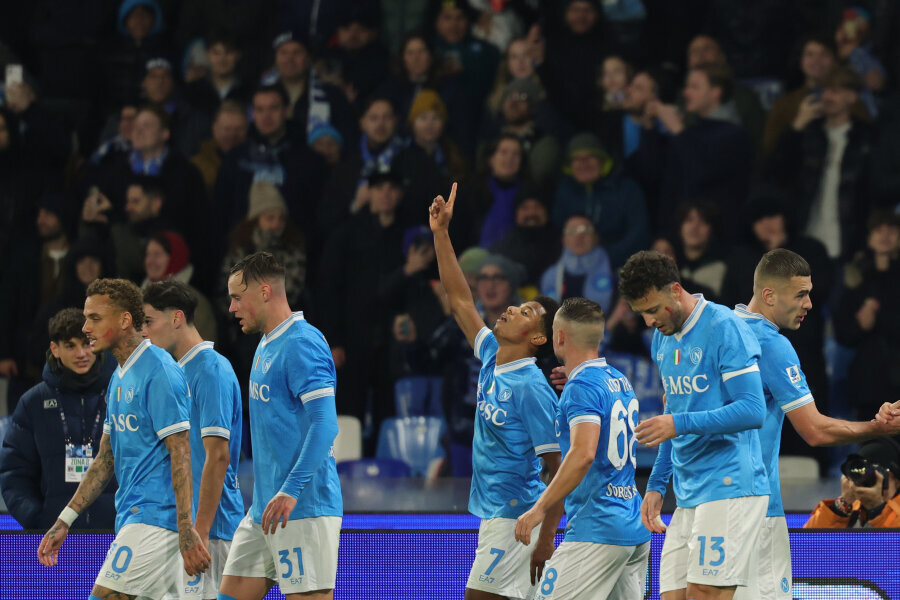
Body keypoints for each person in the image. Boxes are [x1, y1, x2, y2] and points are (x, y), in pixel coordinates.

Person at [733, 249, 898, 599]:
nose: (809, 303)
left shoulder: (719, 331)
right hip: (755, 508)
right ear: (769, 295)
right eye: (800, 294)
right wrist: (878, 428)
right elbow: (815, 431)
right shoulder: (770, 344)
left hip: (702, 502)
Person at [429, 183, 564, 600]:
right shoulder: (491, 355)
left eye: (525, 312)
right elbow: (459, 300)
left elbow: (557, 468)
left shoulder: (531, 387)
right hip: (495, 515)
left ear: (538, 339)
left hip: (517, 518)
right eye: (516, 306)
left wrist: (544, 538)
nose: (510, 309)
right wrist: (441, 234)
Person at [36, 278, 210, 597]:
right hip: (136, 517)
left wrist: (187, 530)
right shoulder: (118, 377)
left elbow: (182, 452)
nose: (86, 327)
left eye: (95, 318)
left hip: (156, 521)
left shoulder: (159, 370)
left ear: (125, 320)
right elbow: (106, 459)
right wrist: (66, 520)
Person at [618, 250, 769, 600]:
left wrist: (679, 422)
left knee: (704, 593)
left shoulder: (724, 327)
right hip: (687, 491)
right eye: (641, 313)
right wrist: (656, 485)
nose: (648, 321)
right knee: (673, 595)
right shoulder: (663, 336)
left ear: (675, 289)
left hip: (730, 483)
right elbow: (676, 416)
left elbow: (752, 409)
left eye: (653, 309)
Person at [222, 251, 341, 600]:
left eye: (236, 297)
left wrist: (290, 490)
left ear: (263, 292)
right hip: (264, 511)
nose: (231, 308)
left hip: (302, 509)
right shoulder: (266, 342)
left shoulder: (302, 342)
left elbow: (325, 424)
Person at [515, 297, 650, 599]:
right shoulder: (618, 379)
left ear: (559, 336)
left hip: (597, 529)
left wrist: (538, 509)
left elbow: (583, 454)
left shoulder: (581, 388)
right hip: (633, 526)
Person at [142, 280, 243, 600]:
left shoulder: (211, 370)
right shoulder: (170, 374)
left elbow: (218, 457)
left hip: (209, 534)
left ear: (176, 318)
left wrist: (196, 534)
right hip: (178, 531)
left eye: (148, 321)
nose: (143, 332)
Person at [0, 308, 117, 529]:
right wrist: (39, 520)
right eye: (71, 346)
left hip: (117, 534)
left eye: (87, 343)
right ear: (55, 349)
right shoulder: (33, 402)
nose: (81, 353)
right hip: (55, 537)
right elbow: (14, 472)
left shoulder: (121, 394)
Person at [767, 66, 873, 261]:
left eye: (835, 91)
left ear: (852, 96)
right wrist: (796, 127)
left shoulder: (867, 138)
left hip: (848, 239)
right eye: (825, 90)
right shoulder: (809, 133)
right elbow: (776, 173)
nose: (827, 96)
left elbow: (871, 192)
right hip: (806, 235)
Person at [653, 62, 753, 239]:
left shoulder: (735, 135)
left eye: (694, 87)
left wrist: (677, 130)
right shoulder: (689, 132)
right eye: (686, 86)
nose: (685, 92)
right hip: (681, 240)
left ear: (716, 92)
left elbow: (702, 173)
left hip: (721, 239)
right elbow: (669, 186)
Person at [833, 210, 900, 418]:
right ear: (869, 238)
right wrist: (860, 325)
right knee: (873, 448)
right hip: (869, 383)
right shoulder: (855, 277)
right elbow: (843, 333)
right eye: (878, 230)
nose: (885, 235)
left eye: (891, 230)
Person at [552, 133, 649, 268]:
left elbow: (638, 234)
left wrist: (604, 258)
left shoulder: (626, 189)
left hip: (621, 268)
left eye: (590, 157)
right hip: (572, 267)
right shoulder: (565, 192)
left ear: (603, 160)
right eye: (577, 159)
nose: (583, 164)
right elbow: (558, 233)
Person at [804, 436, 900, 528]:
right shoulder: (851, 508)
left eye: (880, 475)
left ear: (897, 481)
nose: (872, 482)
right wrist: (843, 503)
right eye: (867, 474)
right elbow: (808, 541)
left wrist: (876, 509)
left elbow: (891, 543)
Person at [143, 230, 218, 343]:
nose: (150, 261)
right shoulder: (140, 295)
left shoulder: (193, 302)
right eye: (148, 254)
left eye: (157, 255)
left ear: (176, 257)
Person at [540, 215, 614, 314]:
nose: (579, 236)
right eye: (571, 231)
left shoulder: (614, 273)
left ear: (596, 238)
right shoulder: (550, 276)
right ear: (563, 239)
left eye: (586, 230)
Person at [190, 100, 250, 193]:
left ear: (247, 130)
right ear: (215, 129)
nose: (232, 135)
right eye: (227, 129)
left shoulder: (256, 164)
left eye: (239, 129)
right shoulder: (195, 167)